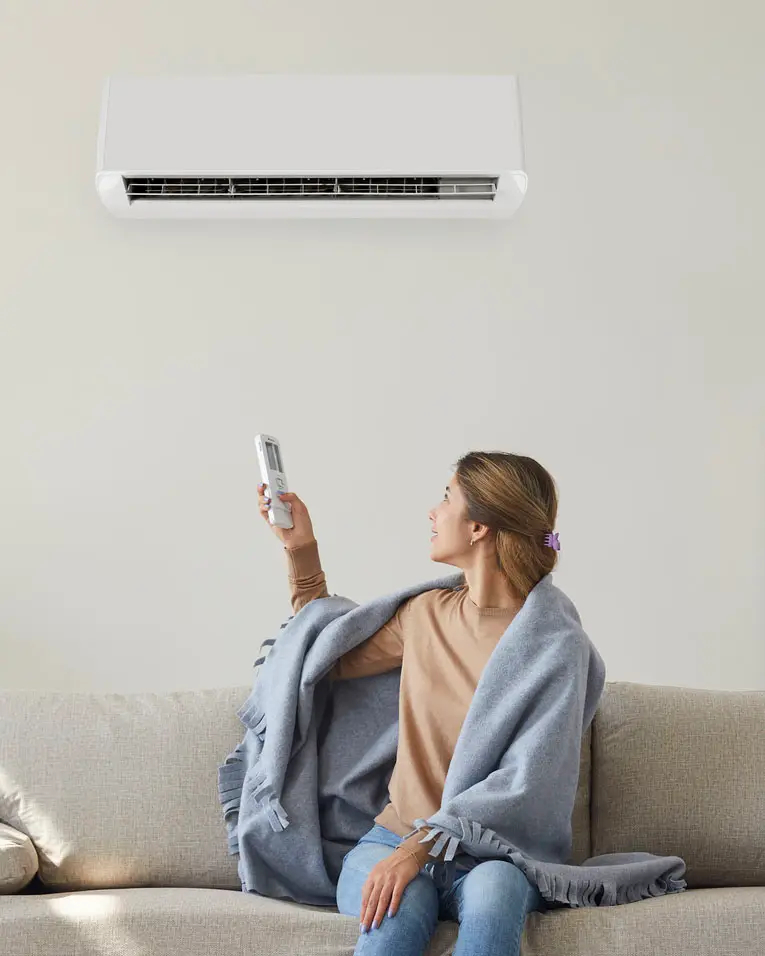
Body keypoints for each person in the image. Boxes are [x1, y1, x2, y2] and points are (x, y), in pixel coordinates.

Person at [257, 451, 561, 956]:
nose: (433, 512)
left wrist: (418, 851)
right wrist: (301, 550)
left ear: (479, 526)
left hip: (493, 855)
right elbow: (320, 652)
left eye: (446, 499)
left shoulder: (552, 642)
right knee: (397, 904)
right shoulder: (425, 614)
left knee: (496, 891)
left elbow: (523, 783)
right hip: (389, 839)